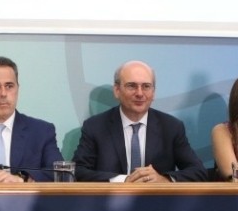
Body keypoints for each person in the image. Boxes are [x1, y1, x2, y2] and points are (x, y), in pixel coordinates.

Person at [72, 60, 208, 183]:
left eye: (146, 86)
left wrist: (164, 180)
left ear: (153, 92)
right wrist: (124, 180)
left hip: (157, 201)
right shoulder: (95, 126)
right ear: (117, 90)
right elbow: (77, 171)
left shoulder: (171, 127)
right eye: (132, 86)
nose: (139, 93)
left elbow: (198, 171)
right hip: (109, 200)